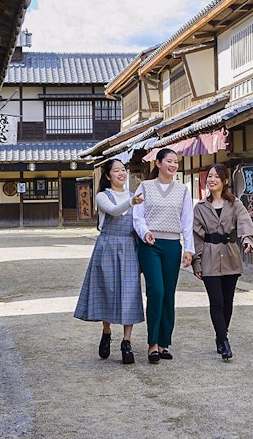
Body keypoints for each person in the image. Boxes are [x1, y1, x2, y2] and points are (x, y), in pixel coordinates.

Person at [74, 159, 145, 365]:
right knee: (107, 290)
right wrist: (132, 203)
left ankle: (126, 342)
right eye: (117, 171)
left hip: (129, 247)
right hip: (107, 247)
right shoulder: (102, 196)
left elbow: (140, 223)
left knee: (130, 293)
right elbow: (114, 211)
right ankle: (106, 331)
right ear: (108, 176)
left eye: (124, 170)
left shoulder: (135, 197)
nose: (122, 174)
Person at [132, 148, 194, 364]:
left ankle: (164, 342)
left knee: (168, 293)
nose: (173, 165)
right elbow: (137, 217)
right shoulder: (145, 187)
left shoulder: (183, 191)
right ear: (158, 163)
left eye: (175, 162)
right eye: (169, 161)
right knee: (156, 290)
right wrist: (145, 232)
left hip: (172, 246)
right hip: (150, 245)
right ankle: (152, 344)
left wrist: (189, 249)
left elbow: (187, 222)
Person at [192, 163, 253, 361]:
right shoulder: (200, 207)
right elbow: (195, 236)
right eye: (209, 176)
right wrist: (196, 262)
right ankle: (224, 340)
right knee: (216, 302)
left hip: (230, 256)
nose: (211, 179)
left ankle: (220, 336)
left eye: (216, 177)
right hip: (209, 258)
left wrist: (247, 239)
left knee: (228, 302)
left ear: (225, 181)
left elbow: (245, 221)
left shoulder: (235, 204)